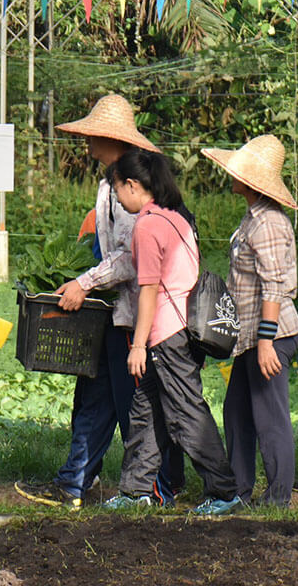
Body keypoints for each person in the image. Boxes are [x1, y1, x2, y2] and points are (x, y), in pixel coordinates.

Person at [16, 93, 180, 510]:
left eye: (92, 134)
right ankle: (74, 483)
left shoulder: (128, 188)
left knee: (134, 404)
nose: (86, 141)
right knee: (95, 396)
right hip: (112, 312)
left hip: (132, 316)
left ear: (112, 139)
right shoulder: (109, 183)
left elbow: (131, 258)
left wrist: (84, 283)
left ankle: (158, 485)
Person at [101, 149, 241, 515]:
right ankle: (135, 491)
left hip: (167, 335)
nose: (116, 196)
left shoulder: (147, 227)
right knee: (146, 412)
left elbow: (149, 290)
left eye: (117, 188)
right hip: (186, 331)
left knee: (186, 413)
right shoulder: (176, 218)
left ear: (132, 184)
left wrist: (139, 346)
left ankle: (224, 492)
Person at [203, 136, 298, 507]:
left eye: (240, 171)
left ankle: (278, 499)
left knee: (269, 417)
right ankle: (238, 492)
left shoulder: (270, 224)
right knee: (237, 413)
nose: (232, 174)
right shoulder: (253, 217)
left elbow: (275, 287)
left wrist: (265, 341)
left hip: (270, 335)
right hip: (252, 336)